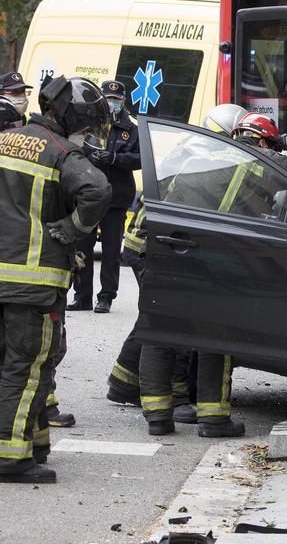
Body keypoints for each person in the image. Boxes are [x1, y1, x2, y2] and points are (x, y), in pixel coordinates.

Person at [0, 76, 111, 483]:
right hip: (33, 282)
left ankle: (35, 442)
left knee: (5, 365)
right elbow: (97, 191)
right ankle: (11, 457)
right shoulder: (61, 152)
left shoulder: (5, 138)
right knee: (27, 367)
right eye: (86, 126)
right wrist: (71, 229)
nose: (86, 135)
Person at [107, 104, 249, 412]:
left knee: (154, 317)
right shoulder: (204, 156)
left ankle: (122, 383)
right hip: (156, 244)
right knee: (173, 323)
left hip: (145, 241)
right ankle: (173, 397)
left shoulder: (192, 148)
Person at [68, 80, 138, 313]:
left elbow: (141, 159)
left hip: (116, 197)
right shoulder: (89, 123)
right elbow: (72, 149)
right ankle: (82, 295)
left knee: (110, 251)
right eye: (108, 99)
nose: (112, 103)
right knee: (82, 247)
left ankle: (106, 296)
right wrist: (89, 156)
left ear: (124, 102)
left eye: (116, 100)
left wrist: (116, 159)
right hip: (88, 195)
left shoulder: (132, 128)